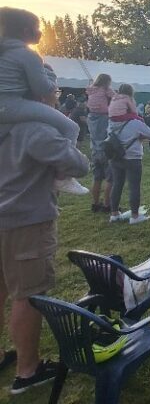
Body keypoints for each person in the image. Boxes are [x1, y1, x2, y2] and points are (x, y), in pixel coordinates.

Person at [0, 84, 89, 394]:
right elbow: (79, 164)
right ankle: (28, 371)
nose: (56, 94)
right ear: (39, 94)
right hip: (25, 222)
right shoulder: (36, 129)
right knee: (28, 295)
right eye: (54, 89)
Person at [0, 7, 88, 196]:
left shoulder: (5, 52)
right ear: (26, 31)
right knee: (71, 127)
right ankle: (62, 176)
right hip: (11, 104)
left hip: (7, 106)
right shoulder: (27, 54)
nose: (40, 32)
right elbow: (43, 89)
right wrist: (50, 76)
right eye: (38, 27)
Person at [106, 102, 150, 225]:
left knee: (117, 184)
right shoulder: (135, 122)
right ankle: (135, 216)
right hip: (133, 157)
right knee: (134, 187)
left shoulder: (111, 122)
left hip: (116, 157)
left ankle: (114, 214)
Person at [86, 73, 114, 212]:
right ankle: (107, 205)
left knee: (97, 178)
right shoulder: (105, 91)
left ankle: (95, 204)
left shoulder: (90, 115)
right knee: (110, 178)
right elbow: (116, 97)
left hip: (94, 149)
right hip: (106, 149)